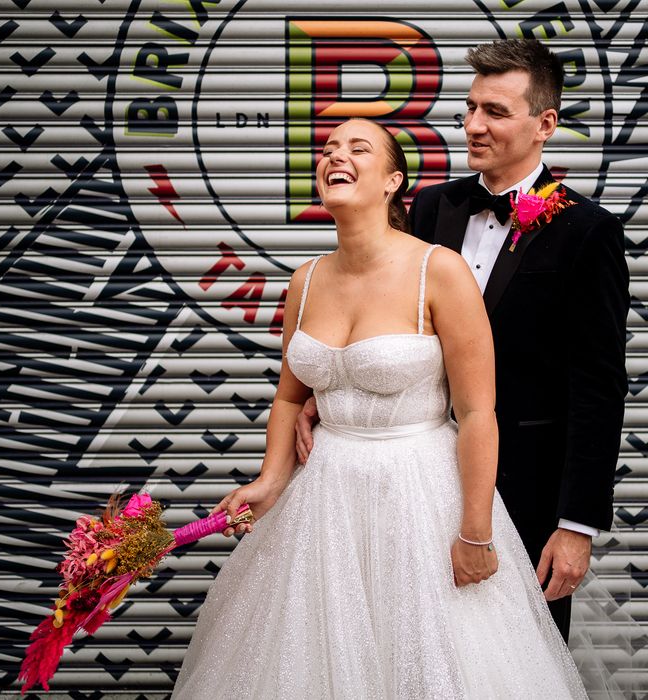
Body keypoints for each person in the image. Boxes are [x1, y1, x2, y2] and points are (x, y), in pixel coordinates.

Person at [172, 117, 586, 698]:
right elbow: (292, 397)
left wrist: (475, 530)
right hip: (323, 500)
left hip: (420, 495)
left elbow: (476, 412)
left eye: (357, 148)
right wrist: (269, 479)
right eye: (327, 148)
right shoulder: (305, 280)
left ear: (393, 180)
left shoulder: (438, 270)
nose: (335, 156)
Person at [296, 39, 630, 641]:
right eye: (470, 108)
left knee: (511, 653)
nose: (474, 125)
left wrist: (576, 523)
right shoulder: (428, 207)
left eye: (496, 112)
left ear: (545, 124)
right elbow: (382, 317)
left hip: (525, 487)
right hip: (405, 481)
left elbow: (599, 389)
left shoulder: (589, 232)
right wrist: (331, 394)